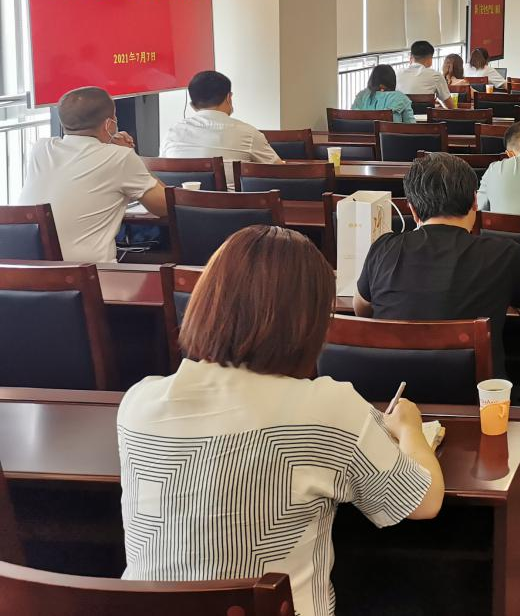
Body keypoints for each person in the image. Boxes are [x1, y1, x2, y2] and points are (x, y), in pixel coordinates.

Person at [118, 226, 444, 616]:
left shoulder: (138, 403)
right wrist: (409, 427)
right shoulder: (326, 408)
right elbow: (423, 501)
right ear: (308, 321)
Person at [355, 153, 520, 375]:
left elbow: (361, 310)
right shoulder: (504, 254)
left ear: (412, 209)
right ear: (475, 202)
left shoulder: (382, 248)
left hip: (391, 391)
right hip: (477, 394)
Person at [19, 86, 167, 262]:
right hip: (90, 273)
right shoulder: (119, 157)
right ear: (109, 124)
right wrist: (130, 155)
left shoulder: (40, 149)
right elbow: (164, 206)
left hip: (27, 271)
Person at [161, 70, 281, 189]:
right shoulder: (249, 134)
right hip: (233, 202)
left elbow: (162, 172)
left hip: (181, 201)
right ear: (229, 98)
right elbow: (280, 171)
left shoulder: (172, 133)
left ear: (192, 105)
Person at [350, 64, 414, 123]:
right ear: (392, 80)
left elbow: (351, 119)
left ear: (372, 79)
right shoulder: (400, 98)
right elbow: (411, 125)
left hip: (361, 131)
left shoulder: (361, 96)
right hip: (391, 132)